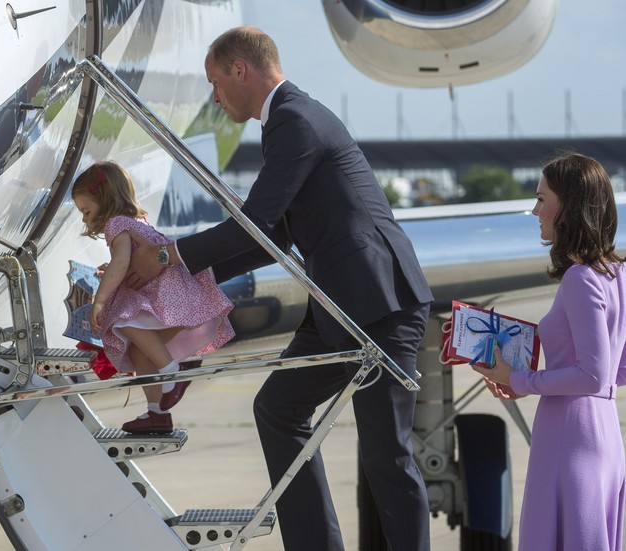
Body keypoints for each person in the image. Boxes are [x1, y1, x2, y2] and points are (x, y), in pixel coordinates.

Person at [125, 26, 434, 551]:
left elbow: (260, 222)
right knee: (279, 408)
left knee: (387, 457)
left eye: (215, 83)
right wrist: (176, 278)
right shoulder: (285, 125)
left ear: (240, 70)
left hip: (380, 305)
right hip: (341, 309)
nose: (214, 97)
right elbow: (276, 238)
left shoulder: (295, 120)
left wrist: (165, 255)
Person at [472, 153, 626, 550]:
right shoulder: (617, 274)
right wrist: (528, 383)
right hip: (605, 432)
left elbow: (592, 375)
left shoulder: (579, 278)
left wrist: (519, 378)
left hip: (569, 434)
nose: (535, 210)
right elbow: (612, 372)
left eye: (542, 199)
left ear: (569, 206)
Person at [71, 161, 235, 434]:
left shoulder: (115, 224)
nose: (85, 220)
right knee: (137, 352)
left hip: (164, 296)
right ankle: (157, 413)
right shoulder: (137, 220)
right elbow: (125, 261)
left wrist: (99, 301)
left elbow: (122, 262)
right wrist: (110, 269)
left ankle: (173, 370)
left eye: (86, 211)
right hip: (178, 295)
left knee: (122, 321)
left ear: (105, 200)